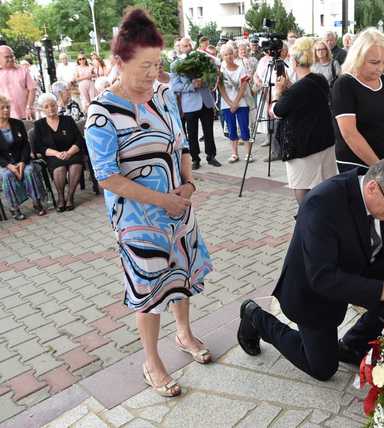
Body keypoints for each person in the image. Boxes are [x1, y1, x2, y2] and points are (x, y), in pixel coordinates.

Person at [85, 9, 213, 398]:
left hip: (178, 209)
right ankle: (151, 360)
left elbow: (183, 145)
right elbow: (107, 176)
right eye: (144, 65)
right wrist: (162, 200)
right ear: (119, 62)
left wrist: (187, 186)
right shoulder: (102, 113)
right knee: (149, 289)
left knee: (181, 275)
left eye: (157, 63)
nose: (152, 72)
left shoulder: (163, 96)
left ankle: (185, 334)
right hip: (138, 219)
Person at [237, 158, 384, 380]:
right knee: (322, 368)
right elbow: (323, 278)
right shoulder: (322, 202)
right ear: (372, 188)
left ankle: (352, 345)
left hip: (360, 267)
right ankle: (255, 317)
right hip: (313, 289)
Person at [270, 37, 337, 205]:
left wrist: (277, 93)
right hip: (323, 143)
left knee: (303, 188)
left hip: (303, 148)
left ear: (294, 60)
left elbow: (276, 111)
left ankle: (307, 219)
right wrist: (289, 87)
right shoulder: (319, 79)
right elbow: (302, 96)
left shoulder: (299, 90)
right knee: (323, 188)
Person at [332, 28, 384, 174]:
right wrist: (378, 166)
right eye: (374, 62)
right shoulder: (345, 84)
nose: (381, 68)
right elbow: (349, 133)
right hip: (357, 166)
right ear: (358, 58)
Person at [170, 37, 220, 169]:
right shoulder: (175, 64)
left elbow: (213, 75)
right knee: (192, 133)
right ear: (179, 48)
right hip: (190, 104)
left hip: (206, 101)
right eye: (183, 46)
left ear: (192, 46)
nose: (186, 47)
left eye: (188, 45)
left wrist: (205, 80)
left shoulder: (202, 58)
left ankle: (211, 156)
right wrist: (192, 85)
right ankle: (195, 159)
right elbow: (175, 87)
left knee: (209, 131)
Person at [32, 93, 85, 212]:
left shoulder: (67, 119)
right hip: (53, 155)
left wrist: (69, 153)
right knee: (59, 168)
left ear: (57, 106)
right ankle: (61, 197)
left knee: (76, 165)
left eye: (53, 105)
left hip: (72, 152)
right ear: (42, 109)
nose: (50, 108)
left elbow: (79, 139)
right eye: (46, 106)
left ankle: (70, 196)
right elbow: (39, 146)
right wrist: (57, 154)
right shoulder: (39, 125)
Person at [0, 95, 47, 220]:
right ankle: (14, 207)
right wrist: (9, 165)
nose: (6, 110)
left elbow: (26, 145)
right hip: (4, 164)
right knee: (7, 175)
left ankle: (37, 202)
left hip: (22, 159)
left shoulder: (17, 123)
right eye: (2, 108)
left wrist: (22, 162)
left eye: (7, 107)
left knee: (29, 171)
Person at [218, 44, 252, 163]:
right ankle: (234, 154)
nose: (229, 56)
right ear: (222, 56)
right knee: (231, 129)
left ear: (234, 54)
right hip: (227, 104)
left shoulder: (241, 68)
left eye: (230, 53)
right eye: (226, 54)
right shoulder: (220, 71)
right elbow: (221, 88)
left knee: (244, 128)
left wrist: (236, 102)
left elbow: (243, 87)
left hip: (241, 103)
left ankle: (248, 153)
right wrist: (230, 103)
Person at [0, 46, 36, 120]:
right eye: (6, 57)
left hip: (25, 114)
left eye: (12, 56)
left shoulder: (23, 71)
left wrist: (29, 107)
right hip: (4, 116)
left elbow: (32, 90)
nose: (10, 59)